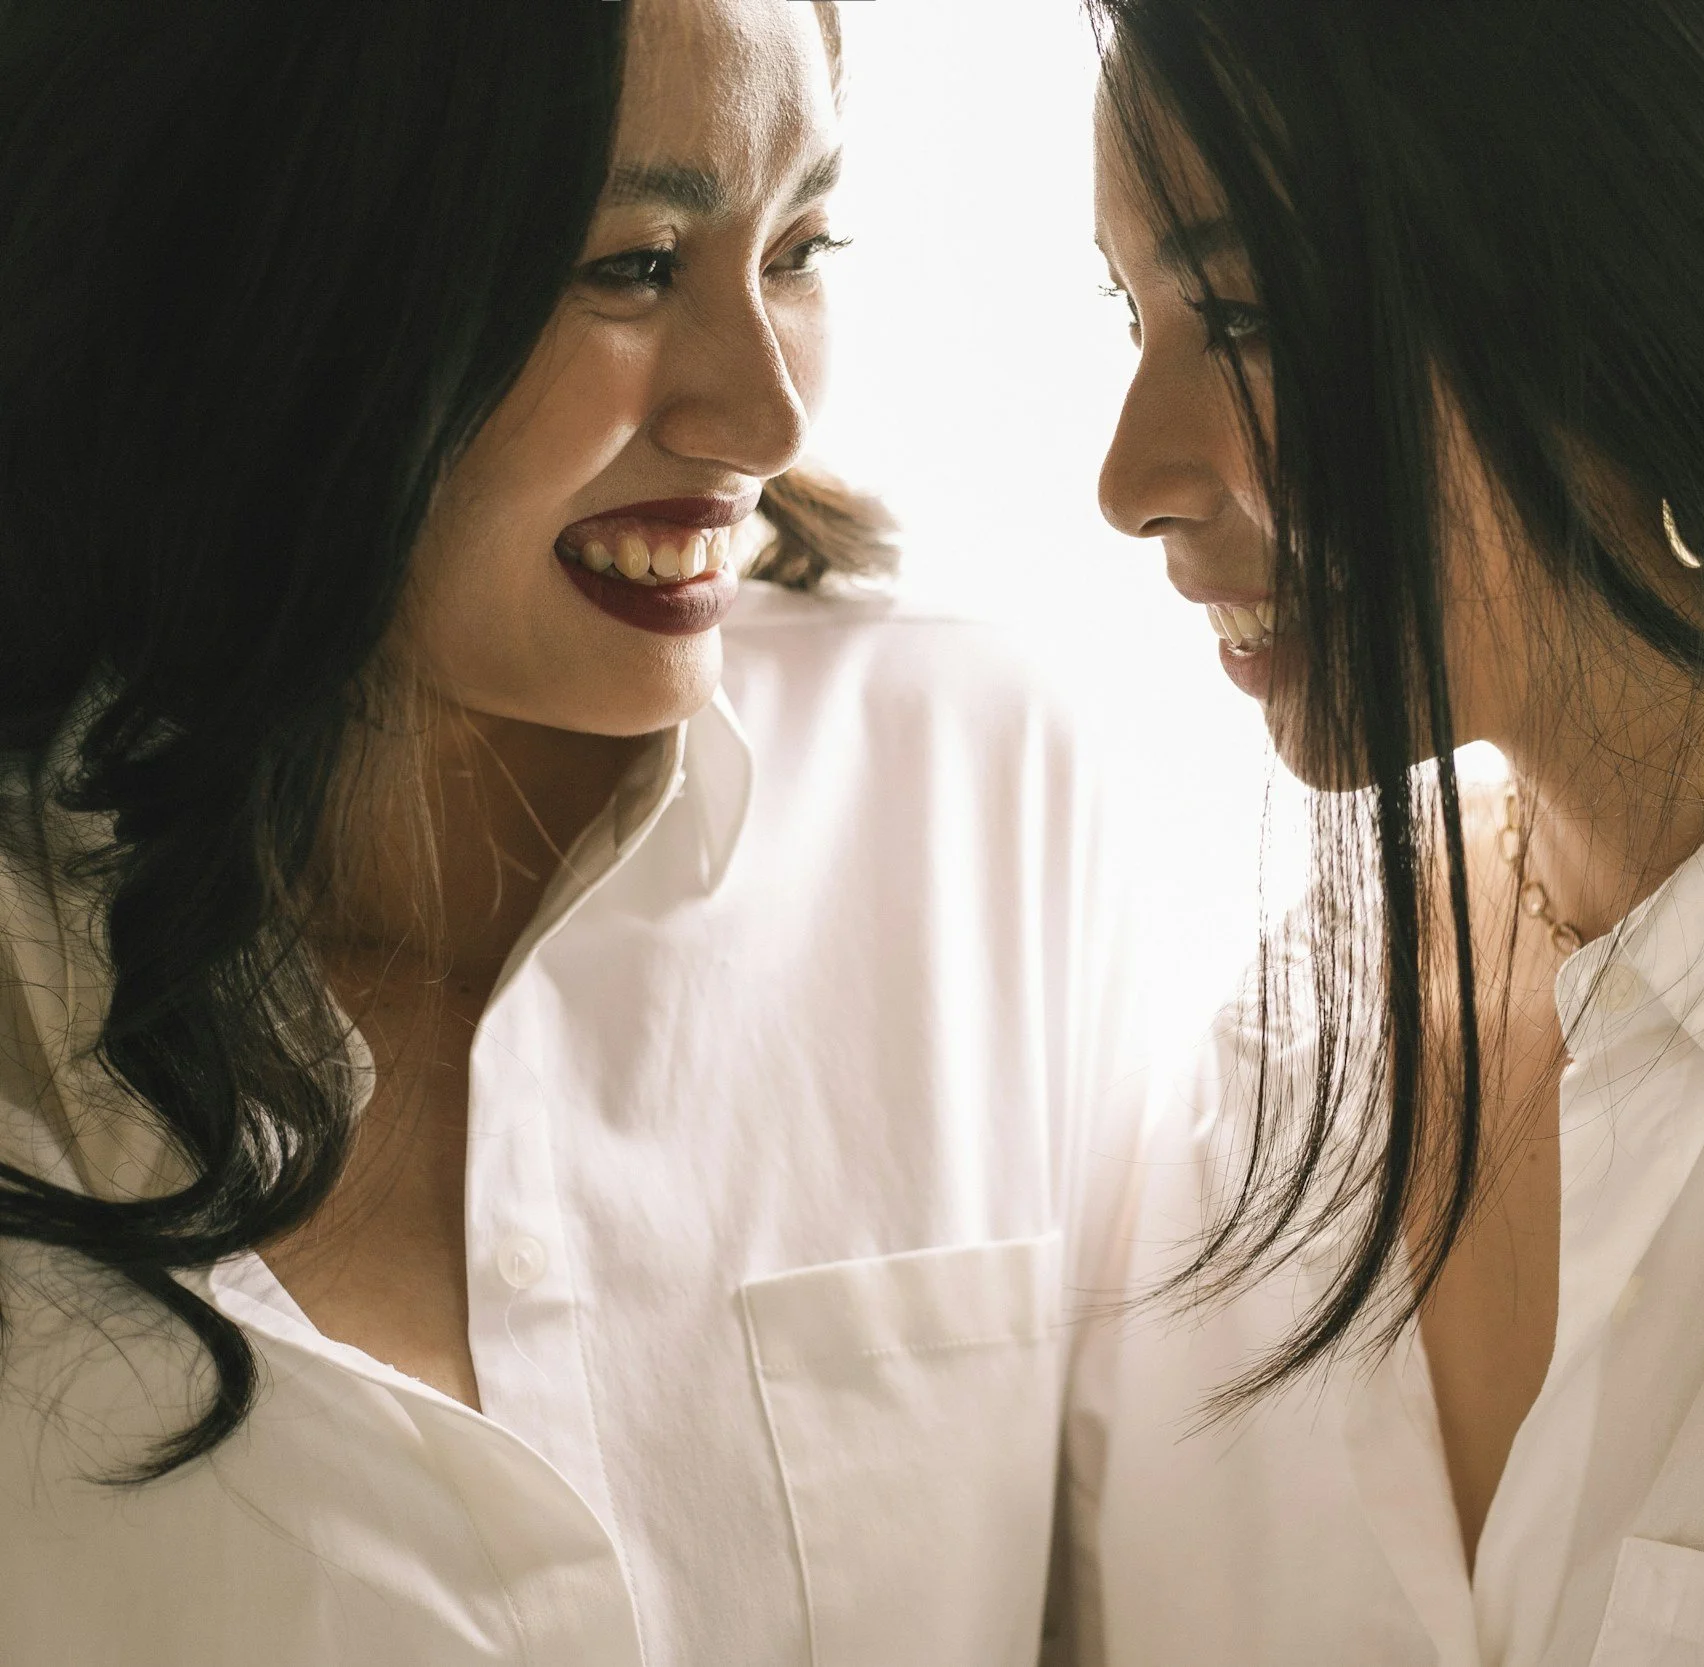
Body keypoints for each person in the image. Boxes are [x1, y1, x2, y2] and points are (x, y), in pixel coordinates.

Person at [0, 4, 1142, 1664]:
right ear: (263, 271)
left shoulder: (971, 795)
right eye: (633, 265)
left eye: (802, 246)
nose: (763, 418)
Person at [1058, 1, 1704, 1663]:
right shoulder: (1273, 1071)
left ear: (1644, 311)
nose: (1132, 474)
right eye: (1132, 311)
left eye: (1244, 318)